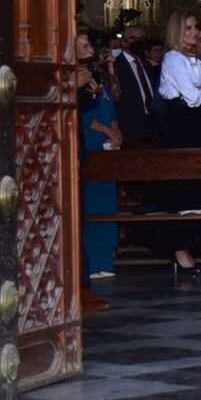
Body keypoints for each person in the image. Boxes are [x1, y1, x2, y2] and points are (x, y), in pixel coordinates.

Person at [158, 9, 201, 275]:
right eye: (189, 29)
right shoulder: (173, 59)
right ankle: (178, 248)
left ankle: (190, 245)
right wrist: (200, 93)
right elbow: (193, 96)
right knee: (181, 188)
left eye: (195, 28)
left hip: (196, 125)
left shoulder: (193, 59)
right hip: (181, 125)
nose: (194, 33)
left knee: (198, 185)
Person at [78, 33, 121, 280]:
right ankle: (92, 262)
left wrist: (115, 129)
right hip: (91, 140)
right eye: (84, 45)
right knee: (91, 201)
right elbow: (83, 114)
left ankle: (106, 258)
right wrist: (106, 130)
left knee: (107, 199)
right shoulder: (75, 78)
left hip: (107, 142)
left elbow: (110, 104)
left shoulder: (97, 74)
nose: (91, 49)